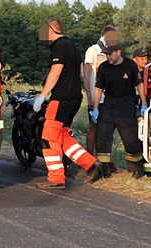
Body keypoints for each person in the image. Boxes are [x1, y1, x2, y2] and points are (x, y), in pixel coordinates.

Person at [33, 19, 101, 189]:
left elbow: (56, 72)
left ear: (51, 30)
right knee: (62, 136)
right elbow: (81, 74)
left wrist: (42, 95)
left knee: (48, 138)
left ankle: (56, 178)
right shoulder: (73, 47)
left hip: (60, 99)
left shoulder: (58, 47)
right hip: (74, 99)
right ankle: (91, 164)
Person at [90, 44, 148, 178]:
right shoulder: (104, 67)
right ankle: (104, 170)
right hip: (109, 104)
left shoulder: (130, 65)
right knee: (102, 137)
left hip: (127, 104)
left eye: (110, 54)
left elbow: (139, 84)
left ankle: (136, 170)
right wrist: (96, 107)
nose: (108, 57)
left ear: (118, 52)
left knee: (130, 140)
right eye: (106, 54)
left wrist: (143, 104)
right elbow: (99, 88)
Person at [83, 26, 118, 155]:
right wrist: (89, 97)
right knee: (93, 127)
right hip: (95, 97)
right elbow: (85, 75)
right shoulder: (92, 50)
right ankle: (90, 159)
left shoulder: (112, 51)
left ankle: (105, 161)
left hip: (109, 97)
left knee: (108, 129)